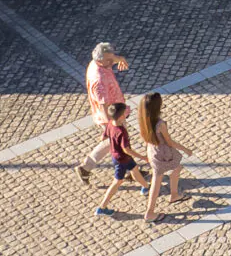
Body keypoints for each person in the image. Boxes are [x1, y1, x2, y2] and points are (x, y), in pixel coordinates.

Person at [76, 42, 131, 183]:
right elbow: (104, 106)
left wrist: (121, 59)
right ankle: (130, 170)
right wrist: (112, 125)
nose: (112, 62)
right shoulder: (99, 80)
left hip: (117, 111)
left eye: (111, 58)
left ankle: (130, 170)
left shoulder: (100, 62)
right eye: (109, 60)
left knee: (114, 142)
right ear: (99, 60)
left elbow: (112, 58)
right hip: (111, 116)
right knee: (118, 142)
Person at [138, 92, 192, 223]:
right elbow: (170, 142)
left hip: (153, 152)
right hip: (164, 154)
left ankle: (174, 194)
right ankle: (150, 212)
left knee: (177, 168)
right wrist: (186, 149)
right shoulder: (160, 124)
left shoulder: (143, 119)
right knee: (157, 183)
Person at [92, 100, 144, 216]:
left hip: (118, 156)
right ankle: (102, 207)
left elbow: (103, 136)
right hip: (122, 159)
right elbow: (126, 149)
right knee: (117, 182)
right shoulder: (121, 131)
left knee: (134, 169)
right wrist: (143, 157)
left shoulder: (110, 122)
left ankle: (145, 187)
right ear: (121, 116)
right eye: (125, 112)